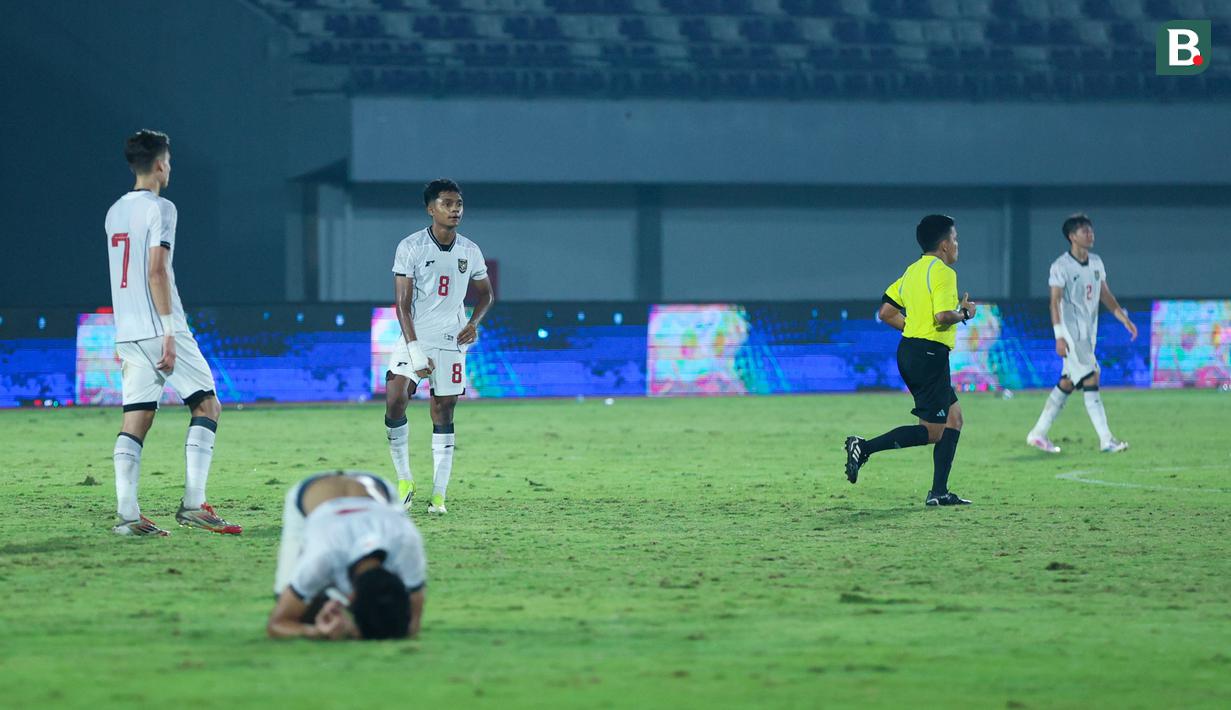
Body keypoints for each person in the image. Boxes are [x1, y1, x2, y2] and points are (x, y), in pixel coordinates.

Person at [104, 130, 241, 536]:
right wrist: (167, 331)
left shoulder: (114, 212)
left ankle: (128, 517)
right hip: (162, 326)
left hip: (126, 329)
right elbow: (156, 270)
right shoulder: (161, 208)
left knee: (137, 418)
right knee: (207, 406)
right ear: (161, 164)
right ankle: (194, 505)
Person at [844, 215, 978, 506]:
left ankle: (939, 492)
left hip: (913, 351)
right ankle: (863, 447)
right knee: (934, 431)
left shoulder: (912, 271)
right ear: (943, 245)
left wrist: (914, 328)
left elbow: (886, 313)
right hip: (929, 355)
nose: (957, 245)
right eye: (955, 239)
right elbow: (943, 317)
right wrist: (965, 314)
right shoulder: (943, 272)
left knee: (954, 418)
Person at [384, 179, 495, 514]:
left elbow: (486, 295)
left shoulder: (470, 250)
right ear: (431, 209)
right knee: (395, 399)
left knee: (443, 411)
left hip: (450, 342)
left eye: (459, 203)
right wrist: (415, 349)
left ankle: (438, 495)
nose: (455, 209)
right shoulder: (411, 246)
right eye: (447, 203)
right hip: (414, 337)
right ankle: (404, 480)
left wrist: (473, 324)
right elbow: (401, 304)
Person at [269, 471, 426, 640]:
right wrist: (317, 632)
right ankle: (330, 602)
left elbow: (412, 620)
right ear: (350, 598)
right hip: (310, 494)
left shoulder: (406, 541)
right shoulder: (322, 557)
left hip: (376, 489)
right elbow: (278, 623)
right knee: (304, 614)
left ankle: (336, 604)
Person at [1026, 214, 1136, 454]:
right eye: (1084, 231)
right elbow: (1054, 303)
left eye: (1091, 230)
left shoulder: (1096, 262)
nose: (1090, 234)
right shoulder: (1061, 266)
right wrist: (1059, 336)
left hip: (1088, 334)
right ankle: (1106, 439)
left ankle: (1038, 433)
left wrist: (1124, 319)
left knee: (1067, 382)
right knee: (1092, 375)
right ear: (1071, 236)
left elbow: (1105, 295)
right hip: (1071, 333)